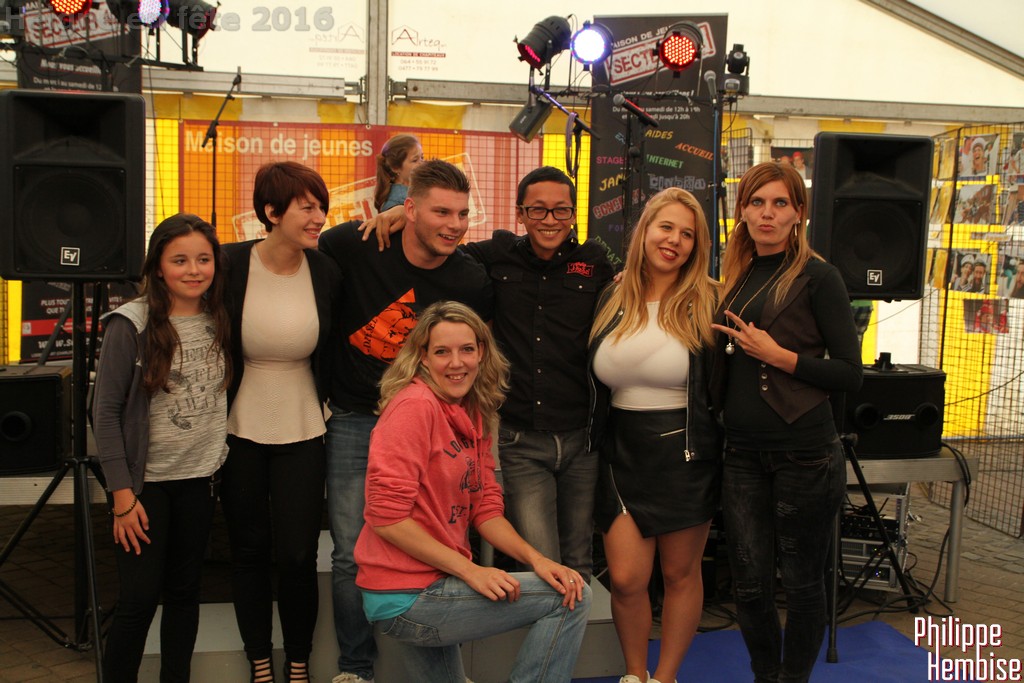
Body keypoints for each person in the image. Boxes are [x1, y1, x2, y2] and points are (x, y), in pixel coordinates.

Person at [363, 166, 615, 581]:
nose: (550, 220)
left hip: (581, 439)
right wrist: (398, 214)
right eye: (537, 210)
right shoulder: (495, 255)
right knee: (539, 563)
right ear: (520, 213)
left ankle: (571, 626)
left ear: (573, 214)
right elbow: (440, 243)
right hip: (521, 440)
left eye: (561, 210)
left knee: (579, 559)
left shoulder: (595, 264)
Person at [319, 159, 493, 683]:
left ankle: (441, 664)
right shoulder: (355, 244)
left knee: (442, 545)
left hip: (428, 426)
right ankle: (355, 669)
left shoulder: (469, 278)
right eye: (441, 212)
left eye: (462, 214)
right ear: (409, 208)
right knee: (349, 553)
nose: (454, 225)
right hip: (356, 418)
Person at [355, 300, 591, 683]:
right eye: (442, 352)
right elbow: (387, 519)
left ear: (482, 352)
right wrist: (472, 571)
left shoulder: (473, 412)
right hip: (409, 593)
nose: (456, 363)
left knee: (559, 579)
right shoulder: (414, 407)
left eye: (466, 349)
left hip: (434, 580)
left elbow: (486, 509)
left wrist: (538, 560)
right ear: (422, 357)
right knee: (572, 596)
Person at [710, 161, 863, 683]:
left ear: (799, 212)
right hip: (741, 453)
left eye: (779, 203)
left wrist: (779, 356)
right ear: (742, 211)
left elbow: (850, 373)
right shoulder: (736, 278)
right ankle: (765, 676)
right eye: (757, 202)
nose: (767, 214)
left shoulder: (820, 277)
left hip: (806, 454)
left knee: (801, 584)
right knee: (750, 586)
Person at [588, 187, 722, 683]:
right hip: (620, 451)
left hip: (686, 452)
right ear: (645, 230)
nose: (674, 241)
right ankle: (634, 674)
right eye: (666, 227)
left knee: (680, 575)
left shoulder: (711, 300)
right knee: (626, 579)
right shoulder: (611, 296)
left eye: (688, 234)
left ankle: (664, 678)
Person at [92, 213, 231, 682]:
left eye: (203, 259)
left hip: (198, 481)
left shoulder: (219, 317)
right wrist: (122, 496)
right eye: (180, 260)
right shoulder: (129, 325)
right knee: (137, 600)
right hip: (144, 490)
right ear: (157, 267)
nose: (194, 270)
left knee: (184, 595)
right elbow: (105, 414)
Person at [220, 162, 342, 683]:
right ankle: (259, 662)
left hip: (305, 426)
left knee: (297, 554)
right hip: (239, 426)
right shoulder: (228, 264)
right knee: (248, 551)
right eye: (306, 207)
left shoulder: (326, 270)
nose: (319, 218)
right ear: (271, 212)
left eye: (321, 207)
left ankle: (298, 662)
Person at [374, 133, 424, 213]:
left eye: (422, 158)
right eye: (415, 160)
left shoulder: (414, 190)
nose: (422, 163)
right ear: (395, 168)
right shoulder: (396, 202)